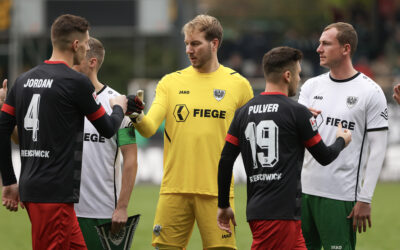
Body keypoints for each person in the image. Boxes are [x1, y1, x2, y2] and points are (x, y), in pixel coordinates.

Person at [0, 14, 130, 250]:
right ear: (76, 45)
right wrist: (119, 108)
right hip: (54, 195)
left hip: (35, 189)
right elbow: (108, 128)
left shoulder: (23, 81)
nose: (88, 47)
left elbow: (3, 128)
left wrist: (9, 180)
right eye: (87, 42)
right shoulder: (75, 82)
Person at [130, 14, 254, 249]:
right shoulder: (170, 83)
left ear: (214, 43)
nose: (189, 49)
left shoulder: (239, 86)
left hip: (217, 193)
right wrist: (135, 114)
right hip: (174, 190)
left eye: (195, 43)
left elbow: (253, 135)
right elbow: (147, 129)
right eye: (187, 43)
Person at [216, 46, 352, 250]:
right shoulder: (297, 112)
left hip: (261, 210)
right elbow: (324, 156)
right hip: (279, 214)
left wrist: (224, 204)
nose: (299, 78)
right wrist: (342, 140)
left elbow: (226, 161)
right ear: (287, 75)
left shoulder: (243, 113)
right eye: (298, 74)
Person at [298, 22, 389, 250]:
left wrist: (365, 198)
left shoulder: (371, 91)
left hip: (339, 196)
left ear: (346, 49)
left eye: (326, 44)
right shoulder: (311, 86)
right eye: (319, 43)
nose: (318, 49)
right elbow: (297, 138)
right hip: (302, 194)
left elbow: (378, 149)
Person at [73, 37, 138, 249]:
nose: (70, 61)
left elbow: (131, 159)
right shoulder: (63, 99)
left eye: (77, 57)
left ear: (92, 62)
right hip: (66, 210)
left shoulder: (118, 104)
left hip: (104, 212)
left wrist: (122, 207)